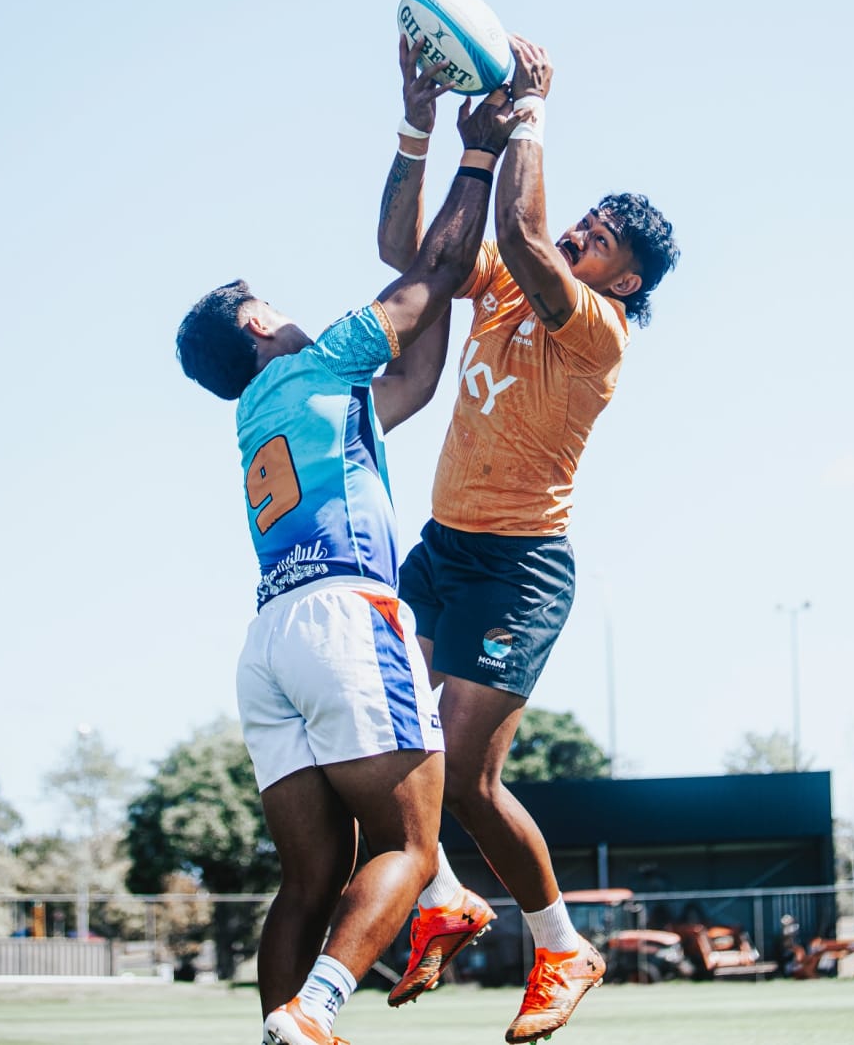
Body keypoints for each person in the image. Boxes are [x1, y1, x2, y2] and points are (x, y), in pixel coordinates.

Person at [175, 83, 526, 1045]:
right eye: (275, 309)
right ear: (255, 326)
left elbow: (414, 372)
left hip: (270, 642)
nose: (290, 317)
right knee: (413, 844)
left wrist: (445, 276)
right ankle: (318, 1014)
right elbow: (436, 266)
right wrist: (478, 155)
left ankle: (275, 1035)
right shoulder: (313, 365)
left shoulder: (271, 412)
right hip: (345, 617)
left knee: (307, 877)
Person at [377, 35, 680, 1044]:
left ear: (624, 282)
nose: (582, 235)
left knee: (464, 776)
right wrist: (434, 130)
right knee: (375, 739)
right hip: (441, 549)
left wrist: (531, 113)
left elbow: (524, 227)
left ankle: (561, 945)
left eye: (602, 239)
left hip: (519, 572)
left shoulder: (596, 328)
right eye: (583, 222)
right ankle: (444, 902)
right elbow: (407, 252)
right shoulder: (508, 283)